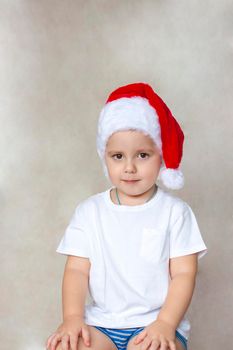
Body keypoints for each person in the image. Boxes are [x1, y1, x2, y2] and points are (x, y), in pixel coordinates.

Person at [46, 82, 208, 350]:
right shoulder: (89, 212)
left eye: (142, 155)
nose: (129, 167)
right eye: (118, 156)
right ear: (105, 157)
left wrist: (166, 324)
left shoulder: (175, 213)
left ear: (161, 157)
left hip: (156, 324)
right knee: (67, 346)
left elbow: (184, 274)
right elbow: (76, 270)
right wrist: (73, 318)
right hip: (101, 325)